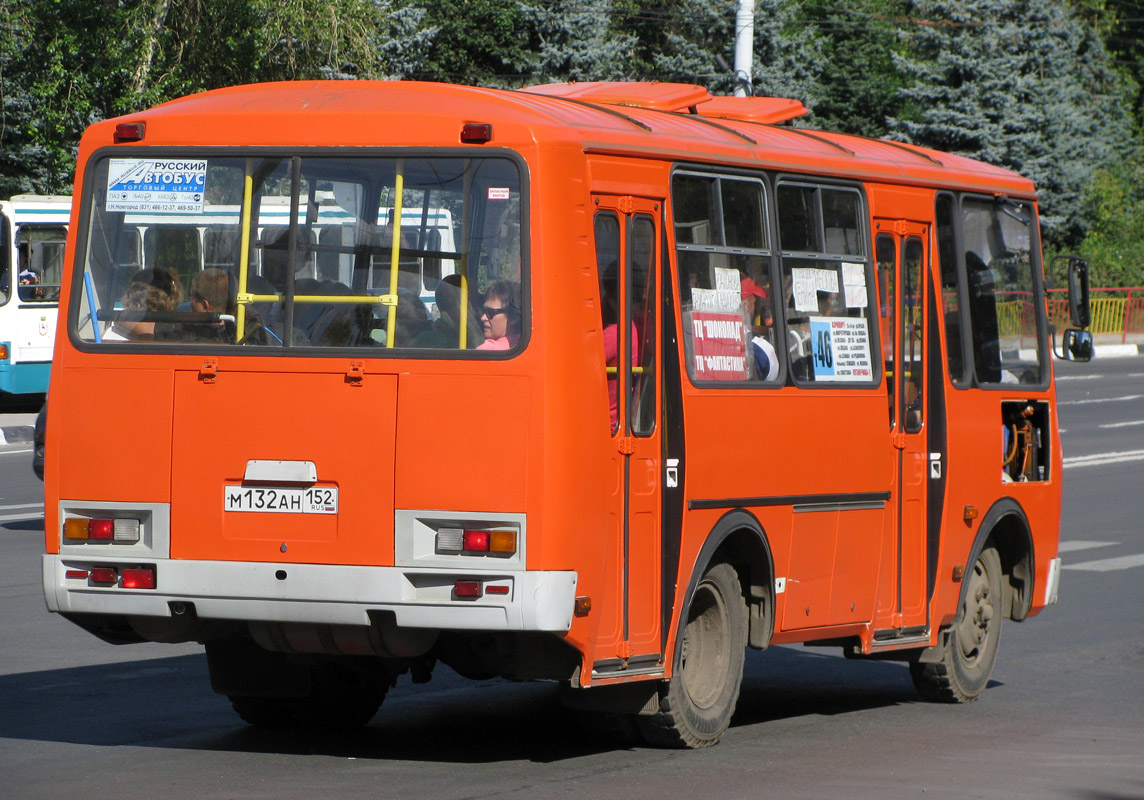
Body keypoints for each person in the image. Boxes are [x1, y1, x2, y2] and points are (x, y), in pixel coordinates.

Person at [741, 276, 778, 381]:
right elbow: (774, 377)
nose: (757, 304)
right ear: (746, 305)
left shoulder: (700, 340)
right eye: (754, 300)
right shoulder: (762, 348)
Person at [475, 280, 521, 350]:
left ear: (513, 318)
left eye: (490, 312)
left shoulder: (488, 349)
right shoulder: (523, 343)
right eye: (483, 311)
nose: (483, 318)